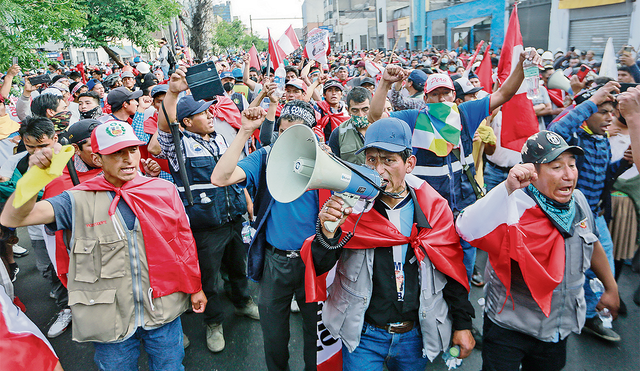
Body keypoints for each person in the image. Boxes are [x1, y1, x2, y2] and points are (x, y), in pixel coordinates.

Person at [0, 121, 206, 370]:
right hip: (108, 319)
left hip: (163, 312)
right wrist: (34, 179)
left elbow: (183, 244)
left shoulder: (164, 190)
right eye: (116, 153)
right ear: (98, 159)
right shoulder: (75, 200)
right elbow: (13, 218)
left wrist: (195, 287)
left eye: (132, 150)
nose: (128, 159)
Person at [304, 118, 474, 370]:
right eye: (372, 160)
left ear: (410, 164)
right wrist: (328, 234)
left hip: (415, 335)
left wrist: (463, 324)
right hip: (363, 335)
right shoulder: (351, 207)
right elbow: (321, 265)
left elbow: (450, 268)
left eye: (388, 160)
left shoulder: (434, 209)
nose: (379, 170)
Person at [456, 131, 620, 371]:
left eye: (572, 165)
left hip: (558, 330)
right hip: (509, 328)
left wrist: (611, 287)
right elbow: (465, 227)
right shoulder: (512, 205)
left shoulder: (579, 202)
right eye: (556, 167)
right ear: (532, 173)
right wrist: (506, 189)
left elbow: (592, 243)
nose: (568, 175)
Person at [211, 99, 322, 371]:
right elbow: (221, 177)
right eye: (282, 132)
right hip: (275, 263)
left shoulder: (324, 161)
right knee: (273, 337)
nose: (286, 140)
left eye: (295, 134)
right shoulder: (265, 158)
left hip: (315, 264)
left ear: (311, 136)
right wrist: (245, 131)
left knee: (316, 337)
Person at [156, 68, 259, 353]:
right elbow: (165, 127)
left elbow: (235, 174)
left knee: (238, 266)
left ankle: (243, 303)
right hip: (205, 227)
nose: (211, 115)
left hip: (233, 218)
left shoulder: (222, 139)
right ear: (187, 122)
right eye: (203, 113)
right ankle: (213, 322)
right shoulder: (179, 144)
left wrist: (247, 199)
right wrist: (174, 92)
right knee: (208, 278)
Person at [549, 81, 630, 342]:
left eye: (611, 112)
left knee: (598, 268)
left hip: (595, 216)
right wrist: (592, 101)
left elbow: (605, 177)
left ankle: (593, 317)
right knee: (567, 270)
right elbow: (554, 130)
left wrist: (622, 165)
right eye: (602, 111)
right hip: (570, 219)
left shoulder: (603, 139)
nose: (610, 117)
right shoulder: (573, 139)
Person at [327, 86, 372, 164]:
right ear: (348, 110)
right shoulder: (339, 133)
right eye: (355, 110)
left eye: (365, 110)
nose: (361, 115)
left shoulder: (382, 128)